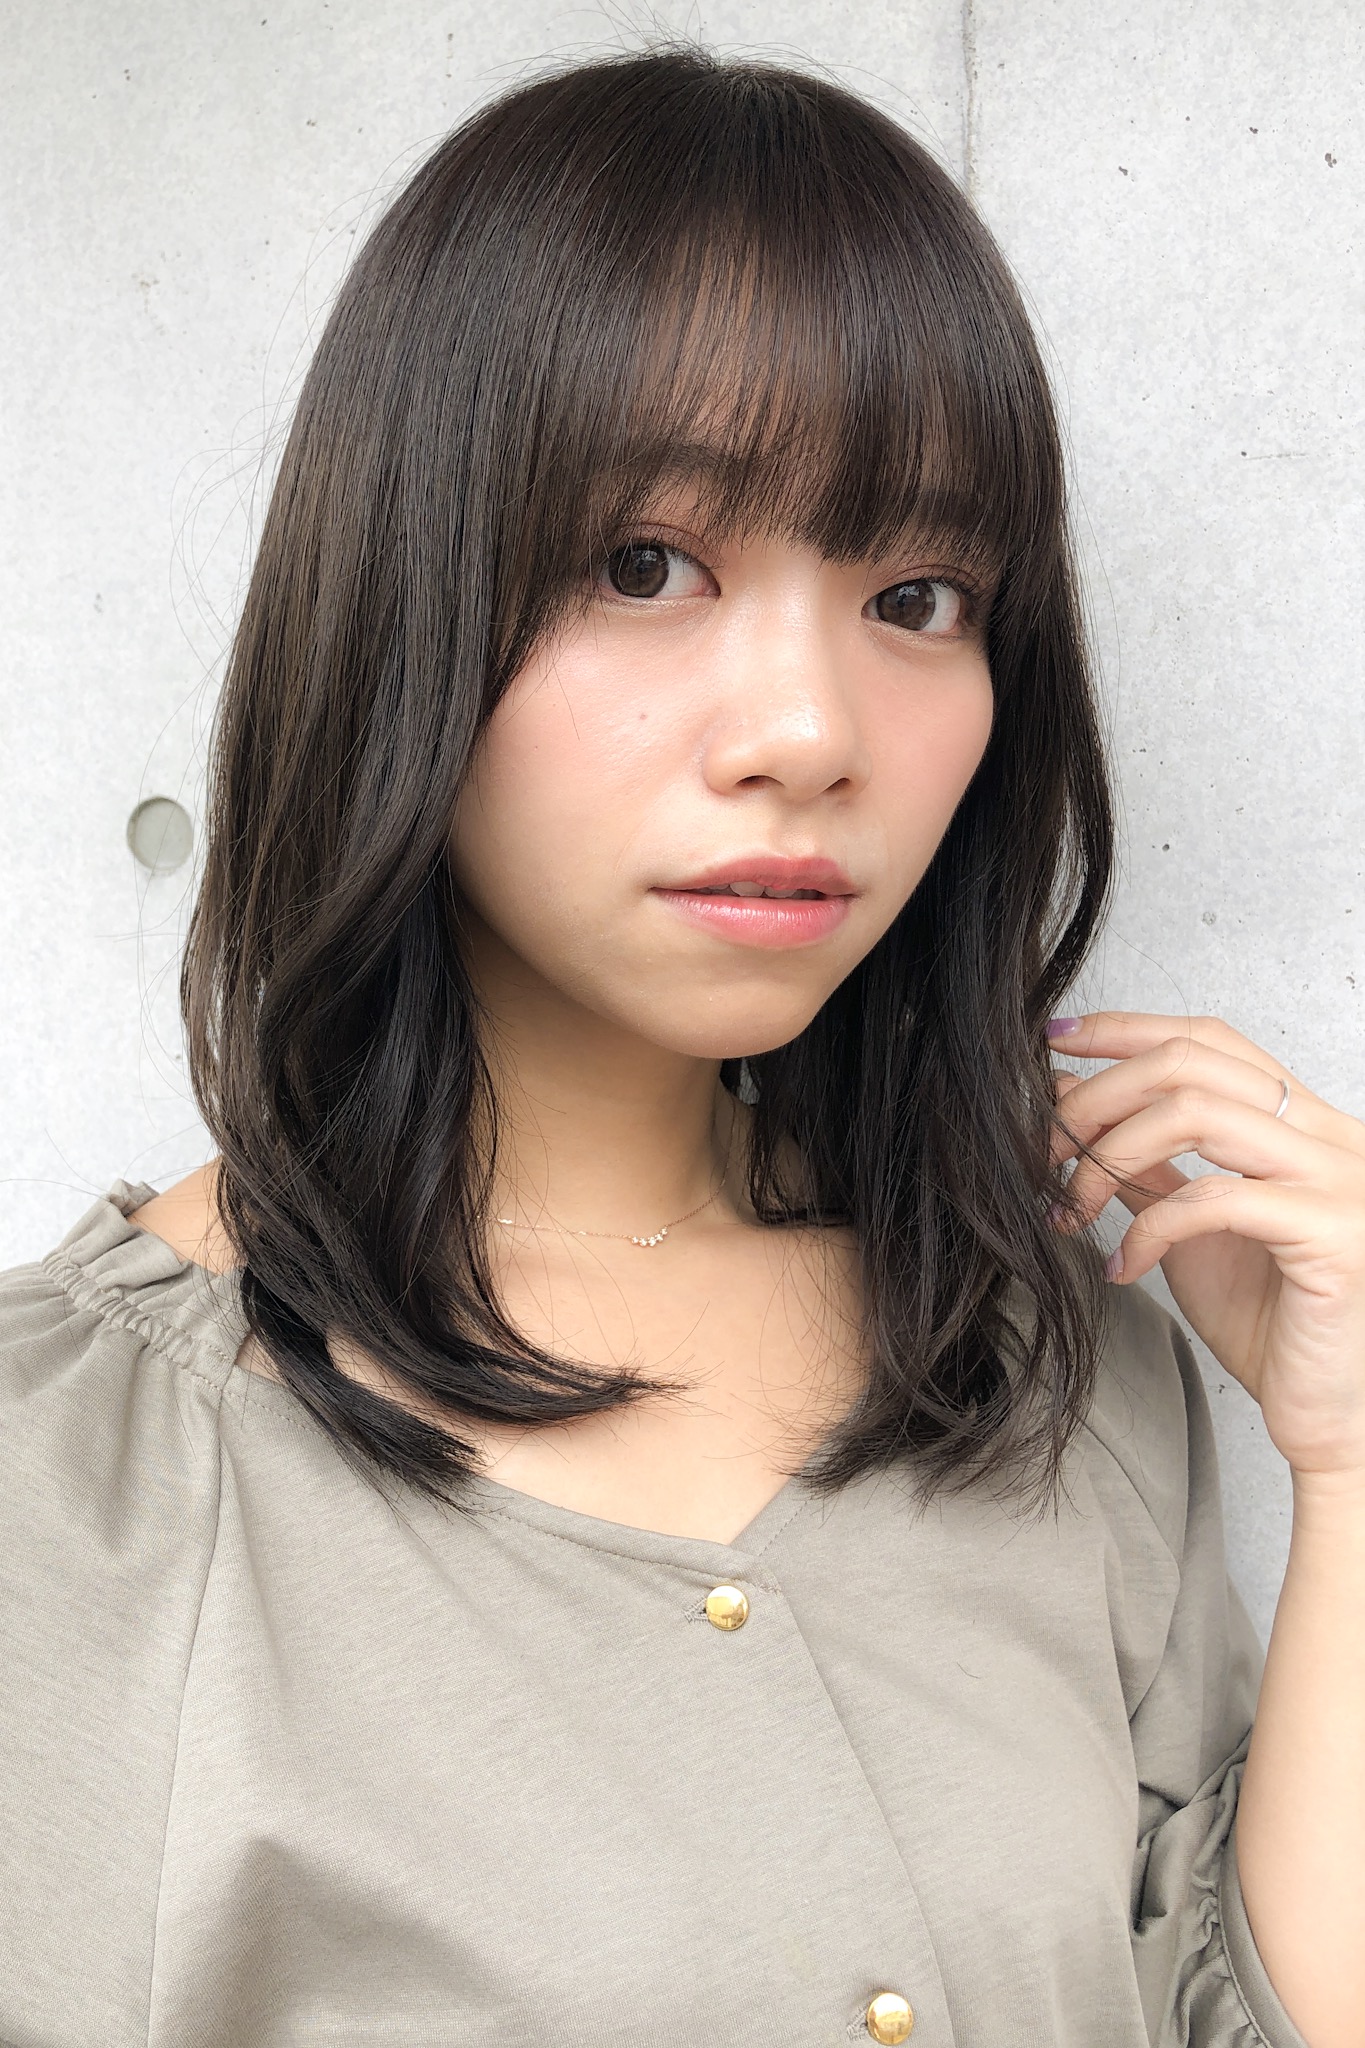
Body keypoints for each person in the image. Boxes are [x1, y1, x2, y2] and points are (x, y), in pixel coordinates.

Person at [1, 43, 1361, 2048]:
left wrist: (1349, 1457)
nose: (807, 730)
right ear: (402, 594)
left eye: (918, 594)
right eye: (645, 566)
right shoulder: (73, 1481)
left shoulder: (1044, 1361)